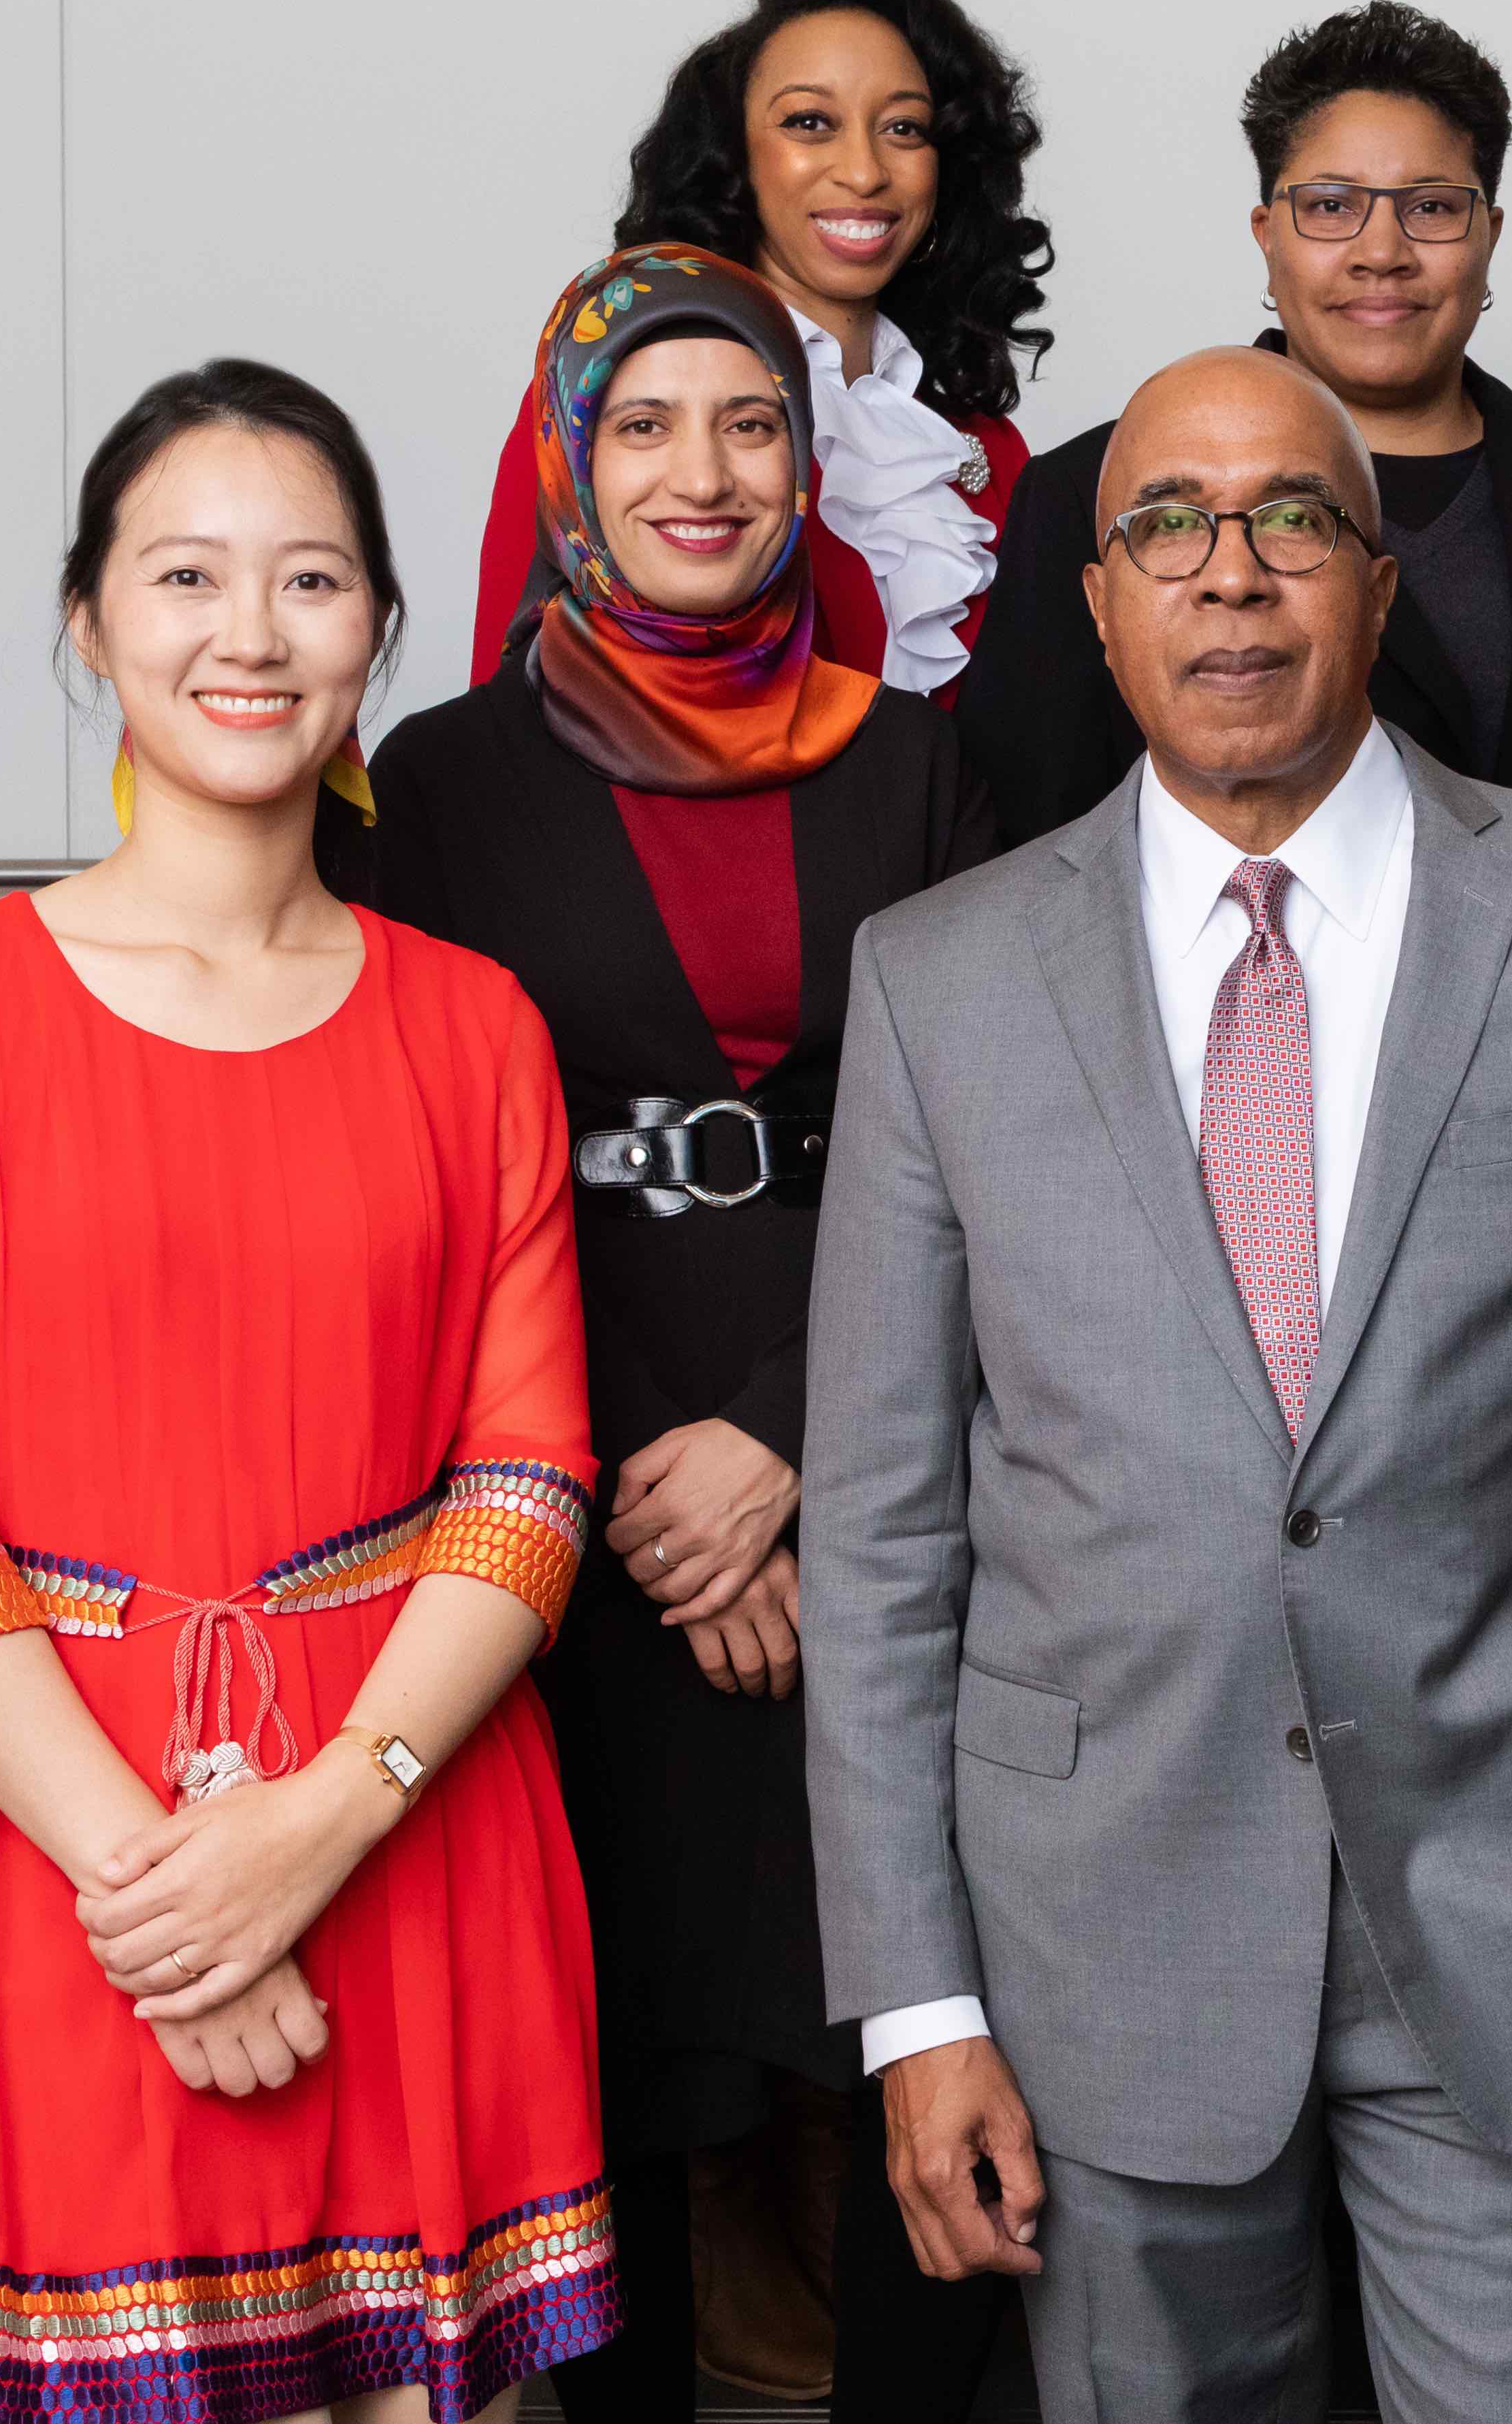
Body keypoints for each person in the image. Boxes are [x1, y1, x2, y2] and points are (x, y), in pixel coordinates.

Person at [800, 346, 1512, 2421]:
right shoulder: (940, 981)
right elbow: (886, 1532)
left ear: (1375, 583)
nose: (1229, 576)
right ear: (1096, 606)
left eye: (1291, 524)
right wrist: (918, 2002)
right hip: (1101, 1946)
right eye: (1166, 527)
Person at [0, 359, 612, 2421]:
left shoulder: (475, 1021)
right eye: (186, 576)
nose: (248, 635)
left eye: (311, 579)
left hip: (423, 1810)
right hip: (83, 1845)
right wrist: (167, 1902)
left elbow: (526, 1481)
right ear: (91, 621)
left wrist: (326, 1822)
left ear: (381, 631)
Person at [375, 248, 1018, 2419]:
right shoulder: (442, 786)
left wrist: (792, 1455)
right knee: (621, 2023)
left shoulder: (919, 760)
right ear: (565, 462)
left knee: (911, 1999)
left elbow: (984, 1150)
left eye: (750, 424)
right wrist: (662, 1480)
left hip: (873, 1464)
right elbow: (441, 1176)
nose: (701, 471)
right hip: (577, 1482)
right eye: (642, 425)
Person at [957, 1, 1512, 841]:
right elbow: (1034, 855)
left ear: (1489, 235)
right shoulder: (1094, 493)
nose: (1381, 251)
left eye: (1431, 208)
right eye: (1330, 207)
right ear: (1267, 236)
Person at [471, 0, 1050, 701]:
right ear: (735, 159)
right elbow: (504, 712)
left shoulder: (989, 452)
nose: (864, 171)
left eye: (904, 128)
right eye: (810, 122)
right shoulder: (611, 401)